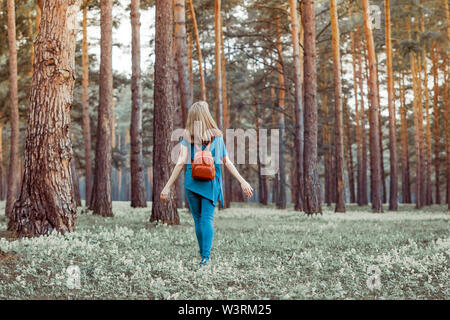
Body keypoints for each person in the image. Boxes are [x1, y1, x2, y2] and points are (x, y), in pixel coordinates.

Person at [160, 101, 253, 267]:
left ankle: (203, 254)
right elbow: (227, 161)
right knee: (207, 219)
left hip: (191, 182)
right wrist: (242, 181)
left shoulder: (186, 137)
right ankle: (205, 258)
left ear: (192, 117)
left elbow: (180, 163)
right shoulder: (217, 137)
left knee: (198, 220)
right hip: (211, 182)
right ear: (207, 116)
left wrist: (167, 186)